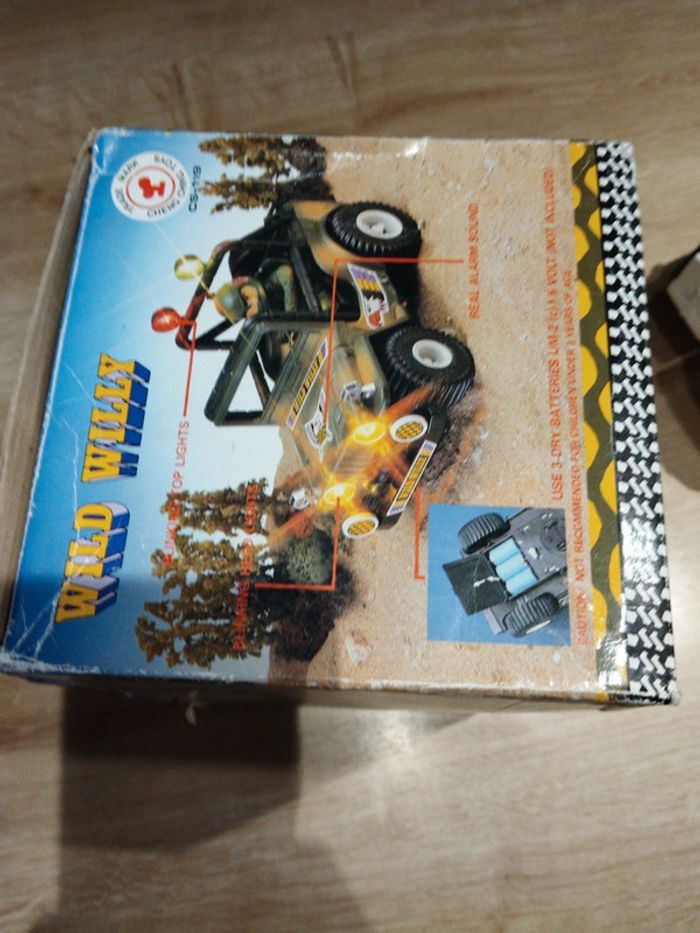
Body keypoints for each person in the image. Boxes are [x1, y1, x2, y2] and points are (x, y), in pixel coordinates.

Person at [213, 262, 299, 324]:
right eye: (248, 308)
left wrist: (290, 318)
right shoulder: (266, 319)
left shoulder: (268, 275)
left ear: (240, 282)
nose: (252, 302)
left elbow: (286, 275)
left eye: (246, 297)